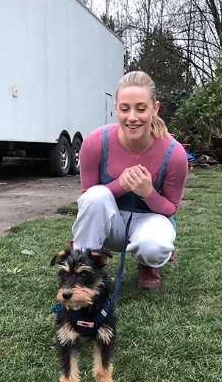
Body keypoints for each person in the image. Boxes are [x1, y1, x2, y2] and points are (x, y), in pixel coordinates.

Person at [71, 71, 188, 289]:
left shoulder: (174, 154)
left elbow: (171, 208)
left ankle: (148, 262)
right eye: (125, 109)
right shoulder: (95, 142)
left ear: (155, 108)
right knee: (96, 195)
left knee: (153, 246)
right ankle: (83, 261)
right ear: (116, 108)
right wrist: (120, 185)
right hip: (110, 223)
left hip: (150, 219)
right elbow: (89, 199)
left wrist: (148, 192)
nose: (132, 117)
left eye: (141, 109)